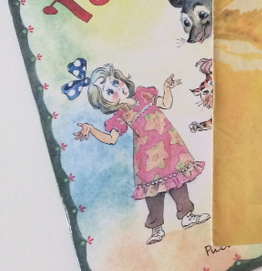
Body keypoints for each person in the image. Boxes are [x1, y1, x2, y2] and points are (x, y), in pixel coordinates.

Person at [72, 62, 210, 245]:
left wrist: (167, 88)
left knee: (179, 184)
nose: (116, 89)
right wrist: (91, 129)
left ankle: (187, 216)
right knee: (153, 194)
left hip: (170, 148)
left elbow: (165, 103)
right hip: (148, 159)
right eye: (109, 91)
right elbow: (111, 139)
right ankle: (156, 228)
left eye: (115, 82)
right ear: (105, 102)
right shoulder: (121, 116)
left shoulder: (143, 95)